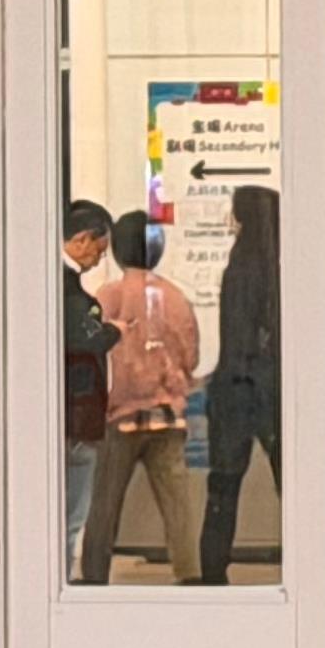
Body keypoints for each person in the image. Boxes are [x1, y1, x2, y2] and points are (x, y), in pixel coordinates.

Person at [79, 209, 203, 582]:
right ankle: (189, 574)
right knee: (178, 507)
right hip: (168, 415)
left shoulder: (110, 295)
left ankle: (94, 577)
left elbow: (91, 349)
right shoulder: (175, 297)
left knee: (104, 504)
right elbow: (191, 355)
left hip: (120, 417)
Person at [193, 185, 283, 584]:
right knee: (290, 481)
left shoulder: (238, 266)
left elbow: (235, 336)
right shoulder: (279, 268)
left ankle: (213, 569)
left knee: (223, 486)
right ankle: (306, 563)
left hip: (233, 388)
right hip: (271, 387)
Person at [58, 200, 115, 555]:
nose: (99, 258)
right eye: (99, 249)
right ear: (81, 240)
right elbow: (83, 339)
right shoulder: (69, 292)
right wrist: (112, 332)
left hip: (72, 415)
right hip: (76, 413)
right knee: (71, 515)